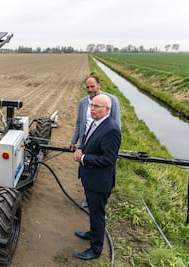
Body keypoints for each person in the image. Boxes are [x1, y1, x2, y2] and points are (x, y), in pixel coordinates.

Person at [72, 94, 121, 260]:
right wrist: (80, 149)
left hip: (99, 182)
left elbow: (109, 159)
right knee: (93, 211)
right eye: (91, 105)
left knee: (98, 214)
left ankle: (95, 249)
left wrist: (83, 158)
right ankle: (92, 233)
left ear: (107, 110)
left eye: (96, 106)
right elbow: (87, 141)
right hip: (90, 178)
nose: (92, 109)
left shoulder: (112, 129)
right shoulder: (95, 122)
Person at [70, 73, 121, 208]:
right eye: (87, 87)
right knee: (86, 170)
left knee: (103, 171)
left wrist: (113, 145)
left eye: (92, 86)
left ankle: (101, 201)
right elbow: (79, 123)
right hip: (86, 142)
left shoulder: (111, 100)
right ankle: (89, 198)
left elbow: (117, 124)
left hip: (103, 143)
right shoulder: (83, 102)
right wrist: (74, 141)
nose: (90, 89)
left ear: (99, 85)